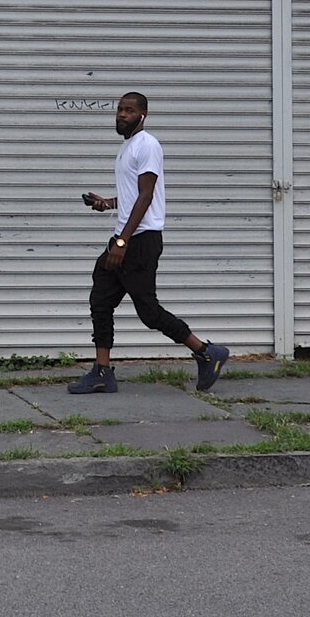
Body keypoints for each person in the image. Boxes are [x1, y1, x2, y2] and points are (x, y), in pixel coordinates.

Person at [70, 91, 228, 394]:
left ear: (143, 114)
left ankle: (207, 352)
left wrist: (122, 242)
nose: (121, 115)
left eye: (129, 110)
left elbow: (146, 195)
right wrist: (107, 203)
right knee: (100, 300)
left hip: (140, 240)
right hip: (127, 236)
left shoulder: (148, 145)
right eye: (119, 109)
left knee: (149, 312)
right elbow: (133, 197)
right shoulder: (128, 147)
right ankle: (102, 371)